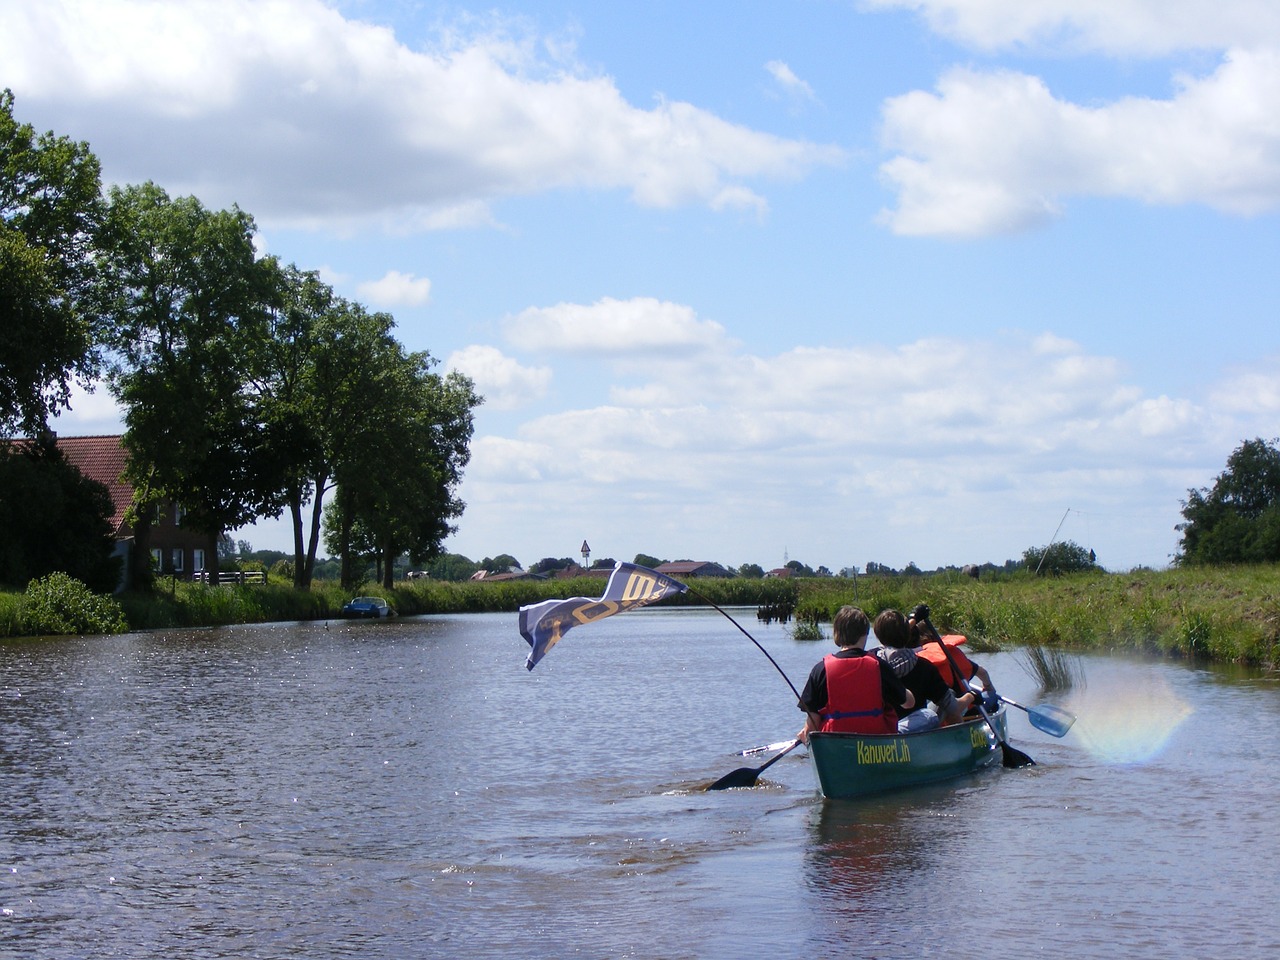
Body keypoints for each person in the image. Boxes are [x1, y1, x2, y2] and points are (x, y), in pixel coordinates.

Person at [797, 605, 914, 743]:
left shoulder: (820, 670)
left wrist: (805, 736)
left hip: (835, 744)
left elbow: (812, 723)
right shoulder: (878, 665)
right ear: (865, 633)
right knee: (928, 716)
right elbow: (908, 703)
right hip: (875, 744)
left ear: (837, 634)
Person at [871, 609, 976, 732]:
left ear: (878, 637)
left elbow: (889, 641)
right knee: (947, 697)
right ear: (908, 635)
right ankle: (959, 742)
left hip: (882, 728)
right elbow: (953, 708)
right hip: (913, 732)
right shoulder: (925, 667)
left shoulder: (872, 662)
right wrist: (971, 696)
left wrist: (914, 619)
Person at [907, 604, 999, 713]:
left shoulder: (916, 661)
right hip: (968, 708)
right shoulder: (951, 653)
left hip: (938, 713)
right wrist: (988, 687)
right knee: (992, 697)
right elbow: (982, 673)